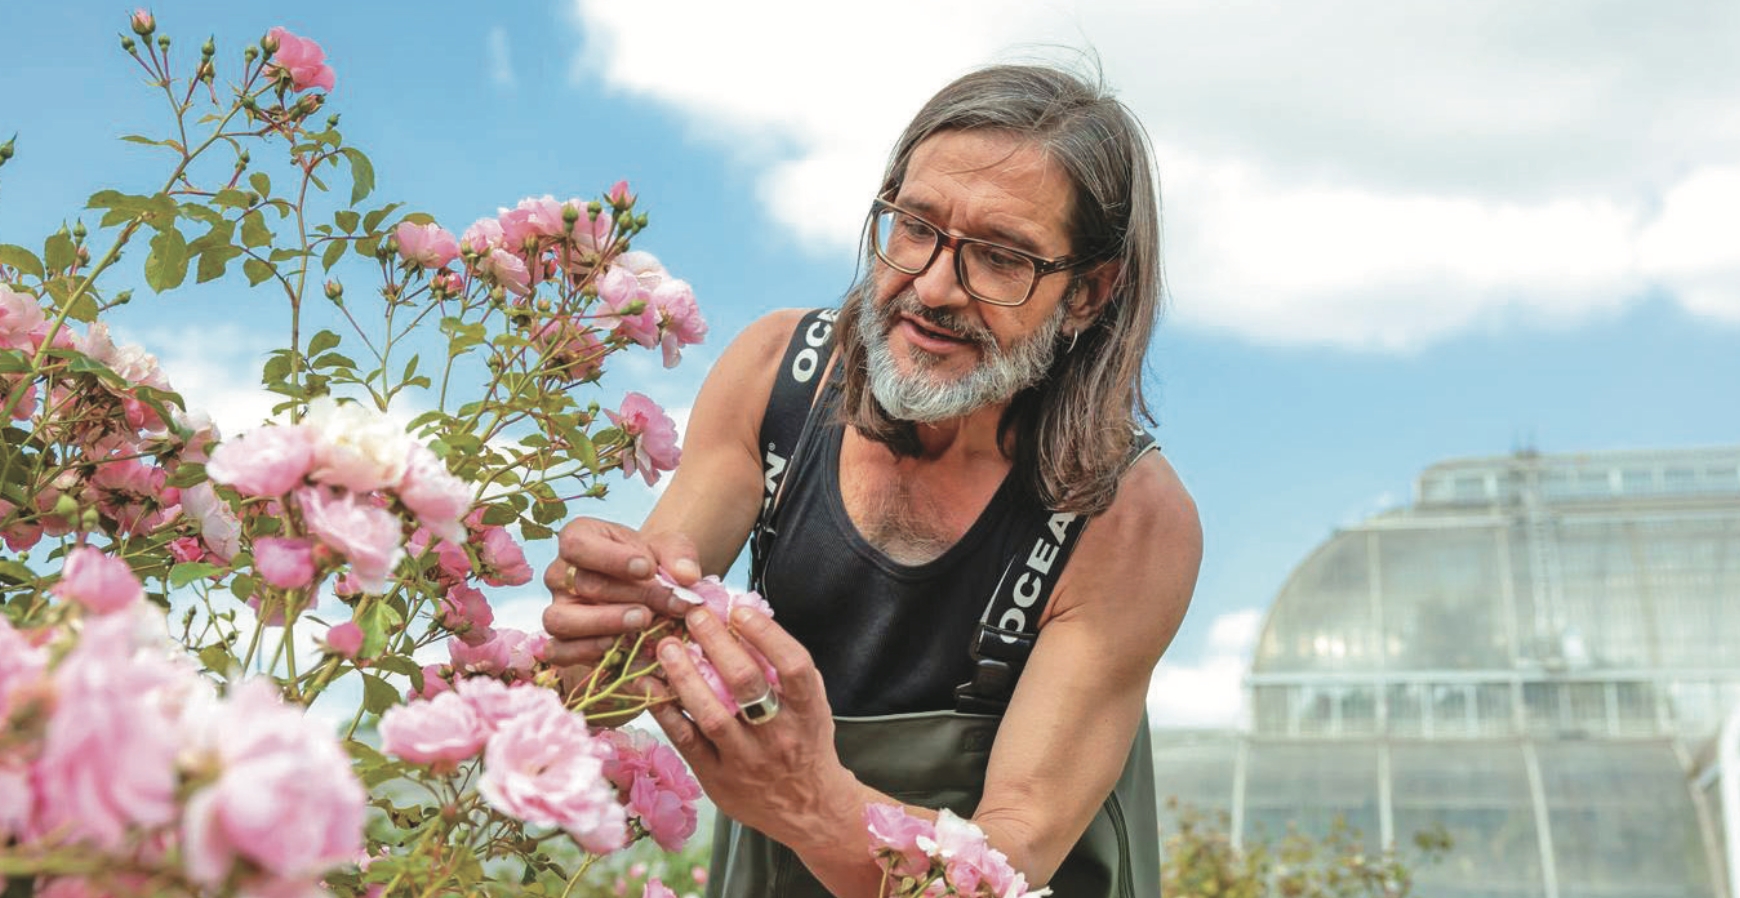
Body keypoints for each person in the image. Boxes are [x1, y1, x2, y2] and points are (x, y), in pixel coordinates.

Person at [543, 63, 1200, 897]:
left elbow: (1014, 852)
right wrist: (599, 624)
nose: (931, 287)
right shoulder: (777, 377)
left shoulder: (1127, 516)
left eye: (1001, 259)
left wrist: (812, 802)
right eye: (915, 227)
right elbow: (610, 672)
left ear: (1089, 293)